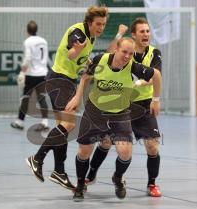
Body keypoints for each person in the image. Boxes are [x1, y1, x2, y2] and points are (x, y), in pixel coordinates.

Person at [25, 6, 108, 191]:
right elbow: (71, 53)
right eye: (98, 24)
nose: (101, 27)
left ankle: (59, 171)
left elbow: (78, 58)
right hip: (60, 80)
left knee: (62, 127)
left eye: (103, 24)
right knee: (69, 125)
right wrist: (77, 50)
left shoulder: (91, 37)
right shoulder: (78, 32)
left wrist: (87, 61)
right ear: (89, 22)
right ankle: (37, 159)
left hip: (64, 80)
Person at [68, 37, 161, 201]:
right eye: (124, 52)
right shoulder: (100, 60)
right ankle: (81, 184)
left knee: (125, 153)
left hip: (120, 112)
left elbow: (157, 75)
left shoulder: (134, 66)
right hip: (95, 110)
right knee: (84, 151)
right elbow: (85, 77)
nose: (127, 56)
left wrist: (156, 99)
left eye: (131, 53)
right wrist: (76, 97)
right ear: (116, 49)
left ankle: (117, 177)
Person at [11, 20, 49, 131]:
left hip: (32, 74)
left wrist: (22, 70)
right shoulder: (43, 41)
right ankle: (45, 122)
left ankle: (20, 121)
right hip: (43, 73)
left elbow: (28, 57)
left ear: (27, 31)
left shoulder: (28, 42)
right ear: (36, 30)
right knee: (41, 97)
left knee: (26, 98)